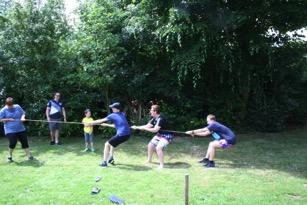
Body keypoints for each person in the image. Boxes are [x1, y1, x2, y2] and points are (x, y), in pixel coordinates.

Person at [86, 102, 131, 167]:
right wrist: (107, 125)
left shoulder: (113, 115)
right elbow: (117, 125)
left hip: (122, 134)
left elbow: (101, 120)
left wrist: (90, 122)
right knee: (112, 144)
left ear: (118, 109)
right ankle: (111, 158)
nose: (112, 109)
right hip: (127, 135)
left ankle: (104, 162)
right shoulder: (122, 114)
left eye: (113, 108)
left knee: (107, 144)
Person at [131, 104, 173, 169]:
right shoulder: (154, 118)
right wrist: (136, 127)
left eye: (151, 110)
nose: (150, 111)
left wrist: (145, 129)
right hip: (160, 134)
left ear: (155, 111)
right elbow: (147, 126)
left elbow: (155, 130)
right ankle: (149, 160)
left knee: (158, 148)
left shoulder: (160, 119)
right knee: (150, 145)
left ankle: (161, 165)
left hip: (167, 135)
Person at [0, 97, 33, 162]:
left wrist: (23, 117)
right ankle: (9, 156)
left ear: (13, 103)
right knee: (13, 142)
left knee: (24, 142)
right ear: (6, 104)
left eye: (11, 105)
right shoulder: (3, 110)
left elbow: (23, 113)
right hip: (10, 129)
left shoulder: (17, 106)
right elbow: (0, 119)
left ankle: (29, 156)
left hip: (20, 128)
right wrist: (8, 119)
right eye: (9, 106)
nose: (11, 107)